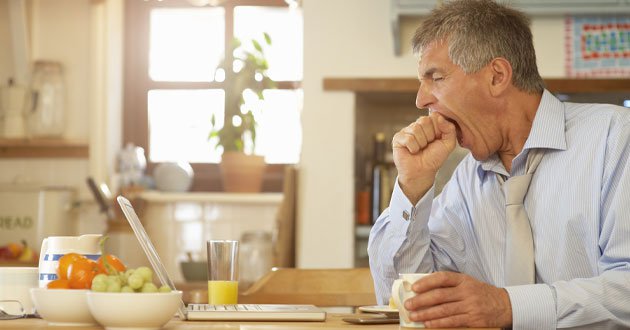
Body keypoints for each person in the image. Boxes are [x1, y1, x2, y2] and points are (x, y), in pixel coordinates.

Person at [367, 0, 630, 329]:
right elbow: (410, 297)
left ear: (497, 76)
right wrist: (413, 186)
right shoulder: (467, 178)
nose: (421, 100)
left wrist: (509, 306)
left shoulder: (617, 138)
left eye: (435, 77)